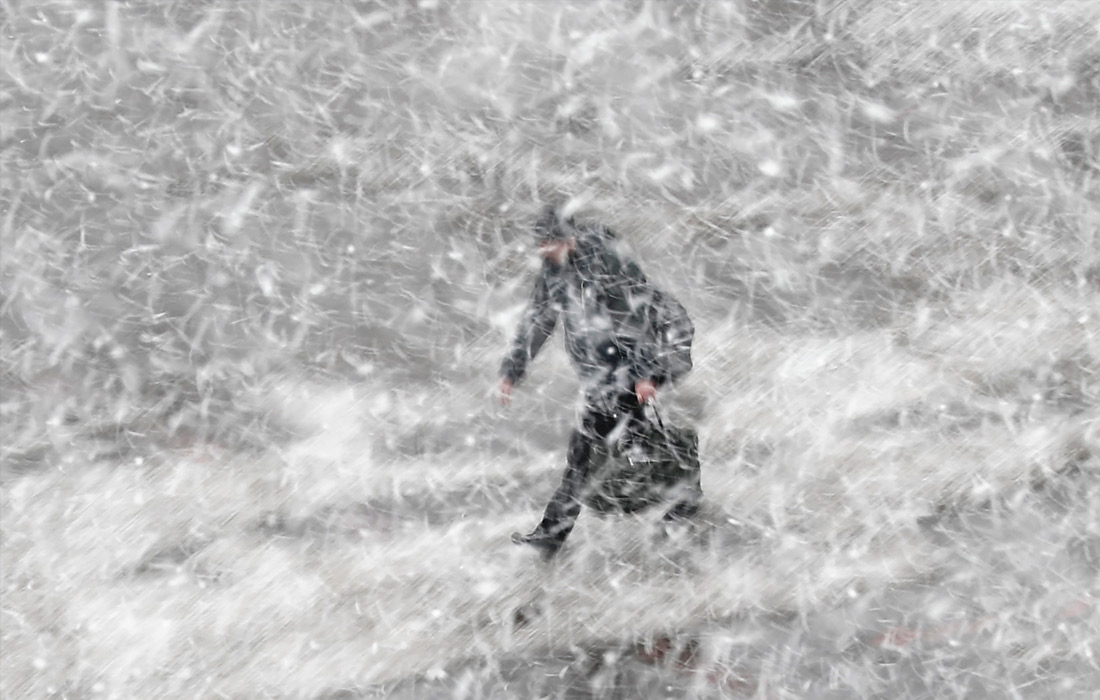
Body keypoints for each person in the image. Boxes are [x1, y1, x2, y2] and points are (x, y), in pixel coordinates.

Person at [498, 205, 701, 559]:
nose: (545, 251)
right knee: (613, 450)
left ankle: (682, 504)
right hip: (598, 377)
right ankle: (682, 502)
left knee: (613, 451)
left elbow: (633, 320)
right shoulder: (553, 272)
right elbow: (538, 321)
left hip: (626, 370)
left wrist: (645, 374)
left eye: (551, 243)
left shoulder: (605, 265)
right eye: (542, 245)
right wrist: (513, 370)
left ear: (570, 239)